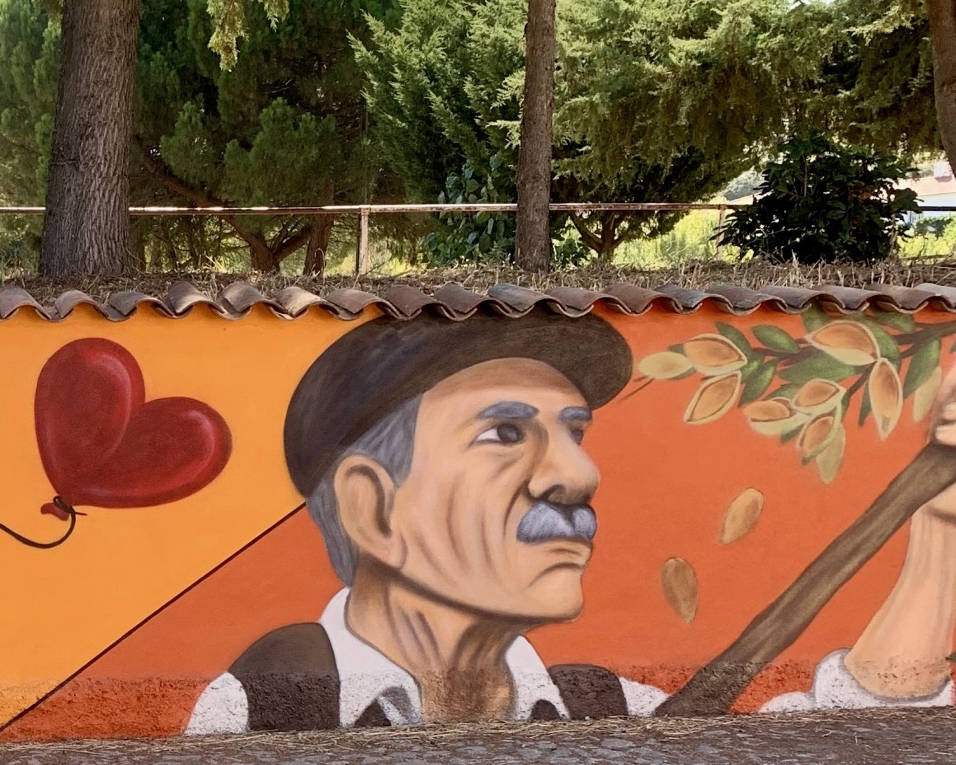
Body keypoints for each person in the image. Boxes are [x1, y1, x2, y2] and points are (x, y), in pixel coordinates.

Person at [186, 312, 956, 734]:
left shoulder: (603, 708)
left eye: (574, 432)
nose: (580, 474)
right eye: (505, 432)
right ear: (373, 505)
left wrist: (939, 532)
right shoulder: (263, 708)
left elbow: (824, 751)